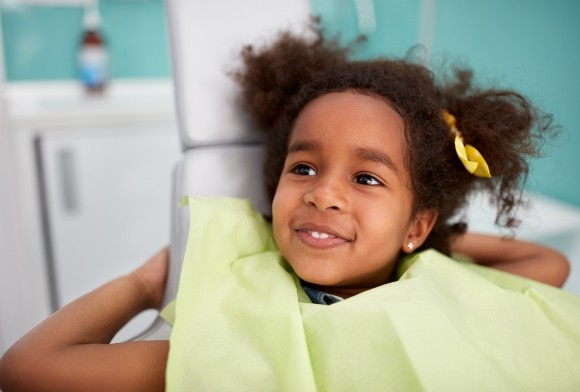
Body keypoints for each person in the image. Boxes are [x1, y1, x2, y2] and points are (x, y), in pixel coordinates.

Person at [0, 25, 575, 391]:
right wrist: (147, 282)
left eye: (367, 177)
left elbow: (548, 265)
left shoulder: (440, 282)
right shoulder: (245, 333)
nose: (322, 193)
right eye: (302, 168)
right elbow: (29, 368)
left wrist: (429, 242)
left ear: (417, 222)